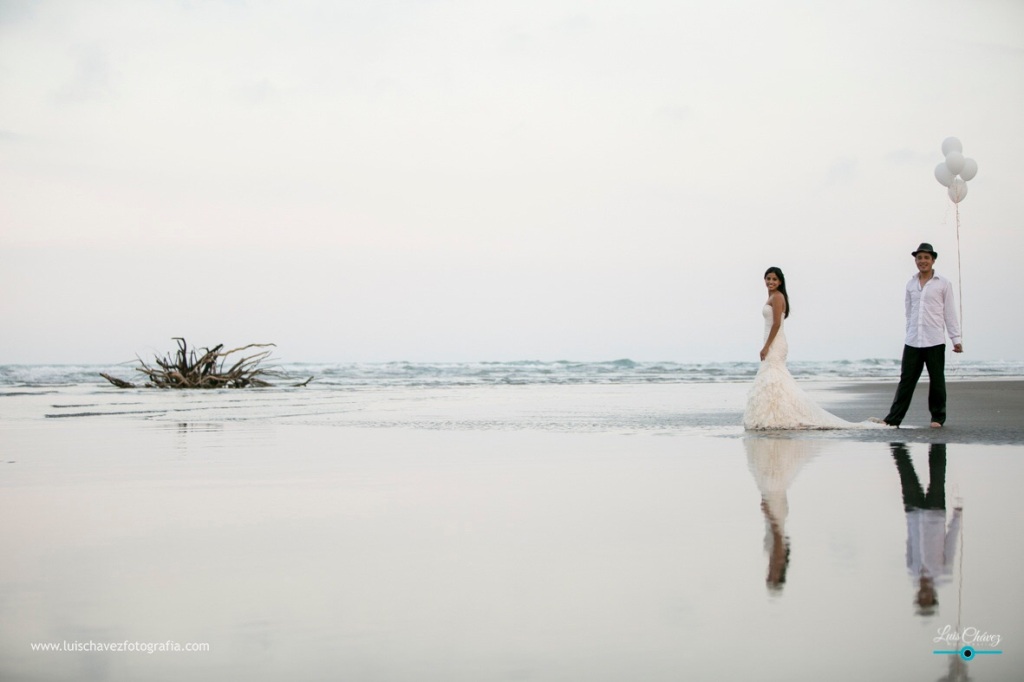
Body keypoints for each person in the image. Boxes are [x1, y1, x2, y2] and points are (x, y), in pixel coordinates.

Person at [743, 267, 886, 430]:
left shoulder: (777, 297)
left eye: (774, 279)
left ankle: (781, 414)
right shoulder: (773, 297)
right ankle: (775, 413)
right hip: (774, 341)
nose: (771, 282)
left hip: (775, 343)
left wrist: (766, 346)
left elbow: (776, 324)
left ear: (780, 282)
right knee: (774, 379)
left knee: (774, 378)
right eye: (768, 278)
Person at [882, 243, 963, 428]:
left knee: (937, 380)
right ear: (916, 261)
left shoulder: (943, 283)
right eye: (919, 258)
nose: (923, 261)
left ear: (933, 260)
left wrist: (955, 339)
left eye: (926, 258)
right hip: (913, 340)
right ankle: (893, 419)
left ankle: (937, 418)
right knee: (906, 381)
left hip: (934, 339)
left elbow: (949, 312)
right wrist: (909, 331)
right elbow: (909, 312)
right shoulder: (910, 284)